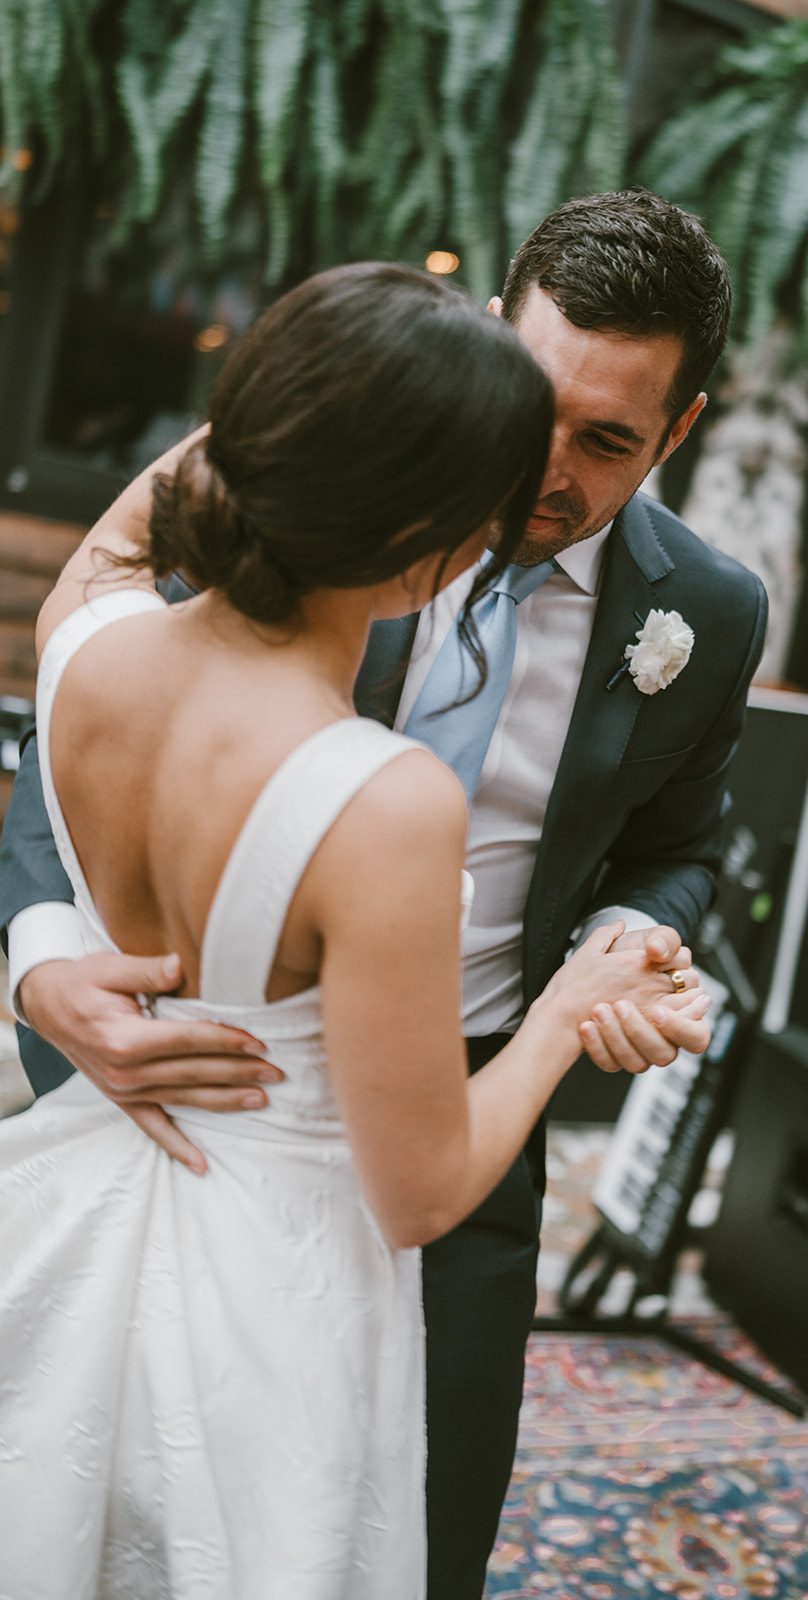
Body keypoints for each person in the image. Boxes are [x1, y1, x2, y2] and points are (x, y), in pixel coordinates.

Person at [0, 189, 767, 1599]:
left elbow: (677, 843)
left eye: (606, 442)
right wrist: (39, 954)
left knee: (414, 1543)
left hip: (464, 1113)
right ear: (475, 349)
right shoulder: (378, 747)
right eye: (521, 404)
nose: (536, 472)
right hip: (173, 1087)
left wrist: (627, 938)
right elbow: (60, 776)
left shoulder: (708, 615)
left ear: (680, 429)